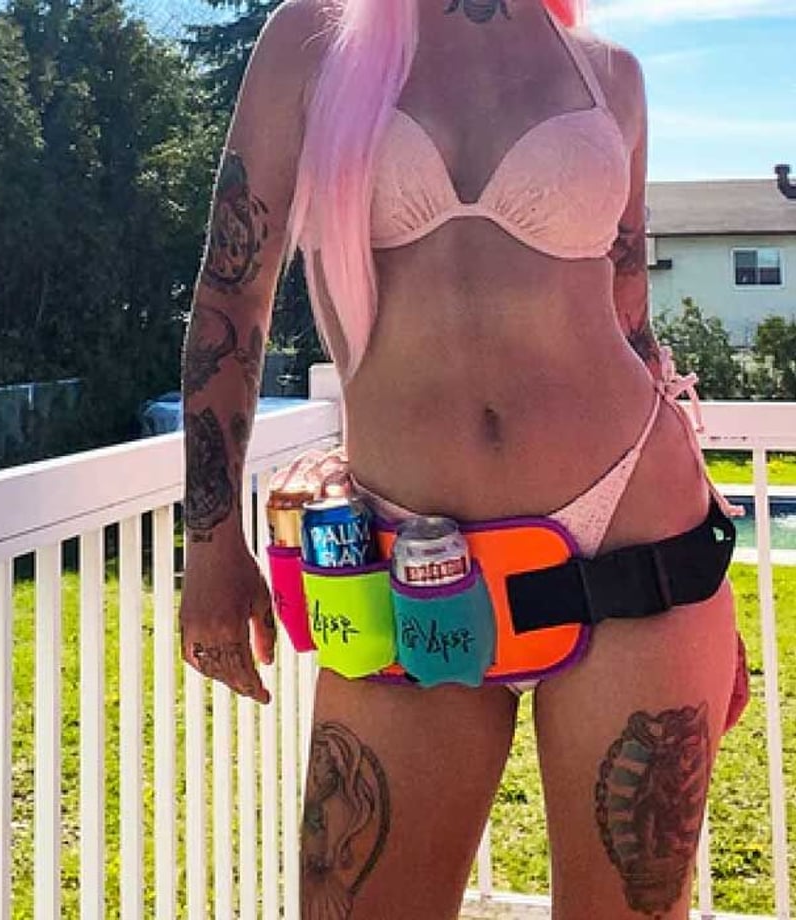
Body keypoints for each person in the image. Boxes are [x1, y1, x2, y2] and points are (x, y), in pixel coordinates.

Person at [178, 1, 750, 917]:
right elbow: (231, 295)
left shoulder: (612, 77)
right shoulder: (315, 42)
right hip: (404, 561)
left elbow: (629, 317)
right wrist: (211, 547)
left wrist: (704, 572)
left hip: (636, 542)